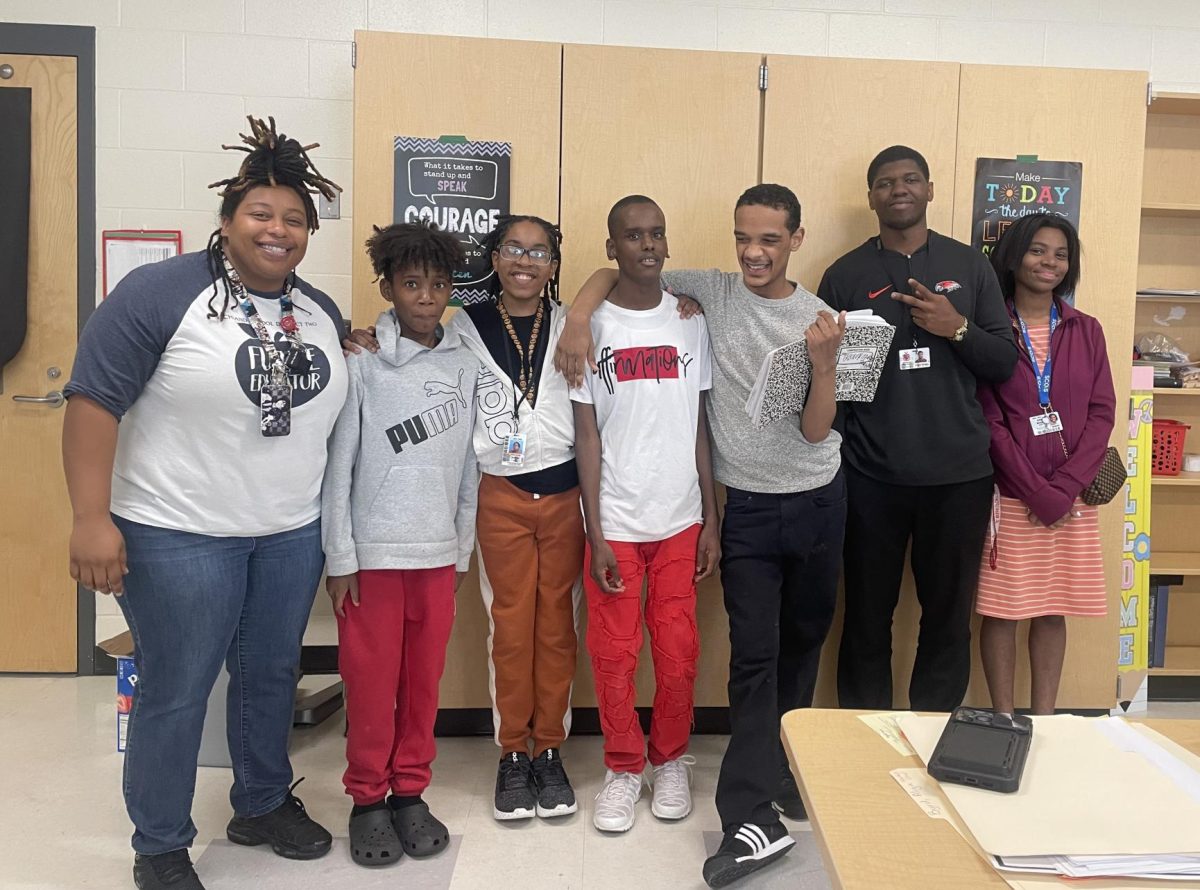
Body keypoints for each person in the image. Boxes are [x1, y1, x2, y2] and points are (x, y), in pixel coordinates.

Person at [62, 116, 345, 890]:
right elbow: (91, 404)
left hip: (287, 533)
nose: (277, 229)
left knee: (269, 675)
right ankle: (159, 844)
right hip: (178, 534)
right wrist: (92, 520)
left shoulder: (315, 307)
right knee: (177, 687)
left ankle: (259, 801)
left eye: (294, 219)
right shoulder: (160, 293)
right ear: (227, 219)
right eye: (261, 213)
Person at [558, 184, 846, 889]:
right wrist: (576, 315)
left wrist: (826, 365)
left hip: (797, 502)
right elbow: (618, 271)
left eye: (770, 239)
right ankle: (684, 787)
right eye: (744, 236)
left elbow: (811, 431)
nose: (754, 250)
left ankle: (765, 770)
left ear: (795, 241)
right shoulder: (706, 295)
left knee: (791, 646)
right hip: (726, 508)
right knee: (743, 655)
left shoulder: (819, 320)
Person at [343, 214, 586, 823]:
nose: (525, 261)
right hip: (499, 494)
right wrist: (363, 337)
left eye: (539, 251)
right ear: (494, 258)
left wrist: (588, 303)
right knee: (510, 627)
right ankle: (512, 754)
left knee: (558, 626)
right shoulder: (463, 329)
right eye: (512, 249)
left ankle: (549, 748)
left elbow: (611, 282)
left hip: (566, 497)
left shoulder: (577, 324)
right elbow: (409, 350)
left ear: (554, 263)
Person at [818, 145, 1019, 712]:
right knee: (863, 617)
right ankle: (864, 743)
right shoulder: (845, 274)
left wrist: (956, 328)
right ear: (871, 198)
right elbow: (828, 380)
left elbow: (1004, 363)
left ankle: (934, 735)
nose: (897, 190)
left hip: (958, 476)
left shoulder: (970, 266)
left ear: (930, 190)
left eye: (909, 180)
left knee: (948, 619)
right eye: (884, 183)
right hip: (869, 475)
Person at [321, 221, 479, 868]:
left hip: (437, 556)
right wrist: (340, 557)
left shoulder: (464, 364)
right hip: (372, 562)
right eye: (411, 283)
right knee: (369, 686)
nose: (426, 296)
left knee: (422, 685)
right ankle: (366, 800)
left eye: (438, 284)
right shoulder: (361, 363)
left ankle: (410, 791)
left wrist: (462, 550)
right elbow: (340, 467)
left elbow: (470, 467)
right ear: (387, 287)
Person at [571, 195, 719, 836]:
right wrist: (595, 530)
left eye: (657, 233)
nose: (648, 245)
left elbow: (700, 429)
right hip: (617, 523)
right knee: (613, 652)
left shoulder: (690, 320)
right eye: (633, 236)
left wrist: (712, 518)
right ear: (612, 248)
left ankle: (671, 759)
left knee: (680, 649)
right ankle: (624, 766)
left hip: (682, 516)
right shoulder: (591, 326)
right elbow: (586, 436)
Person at [975, 215, 1114, 716]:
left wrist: (1064, 488)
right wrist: (1037, 491)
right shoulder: (992, 330)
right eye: (1037, 251)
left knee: (1054, 609)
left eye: (1060, 254)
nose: (1049, 263)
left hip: (1071, 498)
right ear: (1014, 256)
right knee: (1004, 610)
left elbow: (1101, 414)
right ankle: (1005, 717)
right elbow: (988, 420)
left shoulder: (1085, 329)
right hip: (1013, 495)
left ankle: (1046, 718)